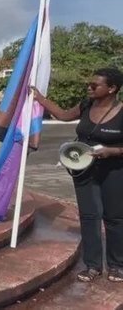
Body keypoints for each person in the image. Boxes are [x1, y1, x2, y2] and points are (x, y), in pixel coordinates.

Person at [32, 67, 123, 282]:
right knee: (89, 216)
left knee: (115, 218)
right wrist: (40, 98)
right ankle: (92, 266)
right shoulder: (86, 105)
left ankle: (117, 265)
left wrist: (112, 151)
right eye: (89, 84)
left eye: (95, 85)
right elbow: (63, 115)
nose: (89, 87)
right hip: (84, 170)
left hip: (114, 170)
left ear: (112, 88)